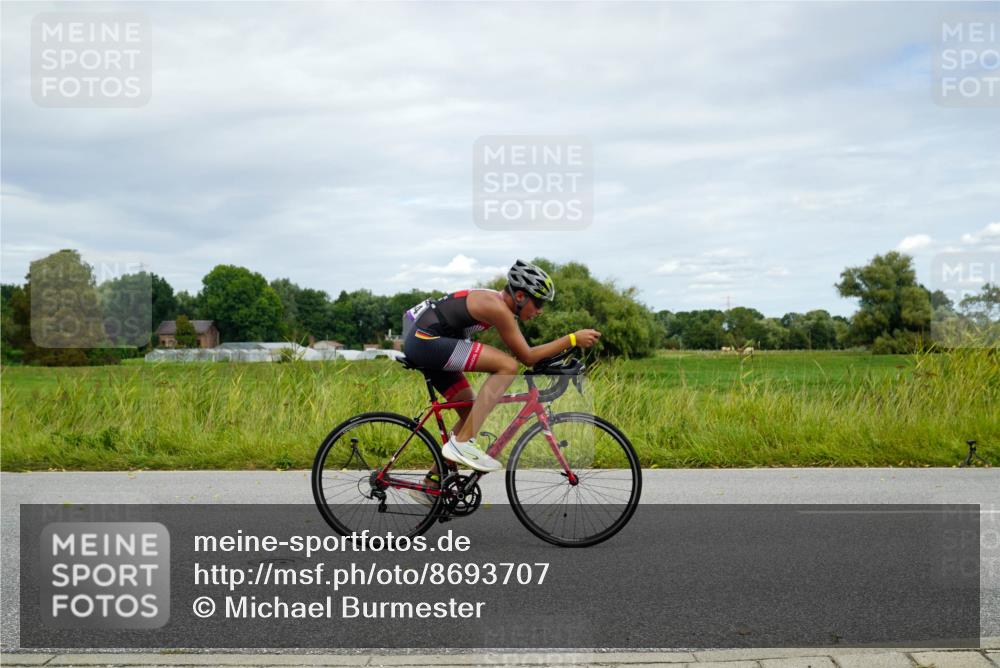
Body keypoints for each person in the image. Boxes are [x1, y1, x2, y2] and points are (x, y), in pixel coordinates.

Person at [400, 260, 601, 498]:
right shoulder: (497, 308)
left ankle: (432, 482)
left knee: (470, 412)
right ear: (519, 296)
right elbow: (526, 356)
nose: (540, 310)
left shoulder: (495, 303)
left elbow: (532, 355)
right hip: (426, 341)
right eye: (538, 303)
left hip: (426, 341)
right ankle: (462, 442)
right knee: (507, 366)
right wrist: (572, 339)